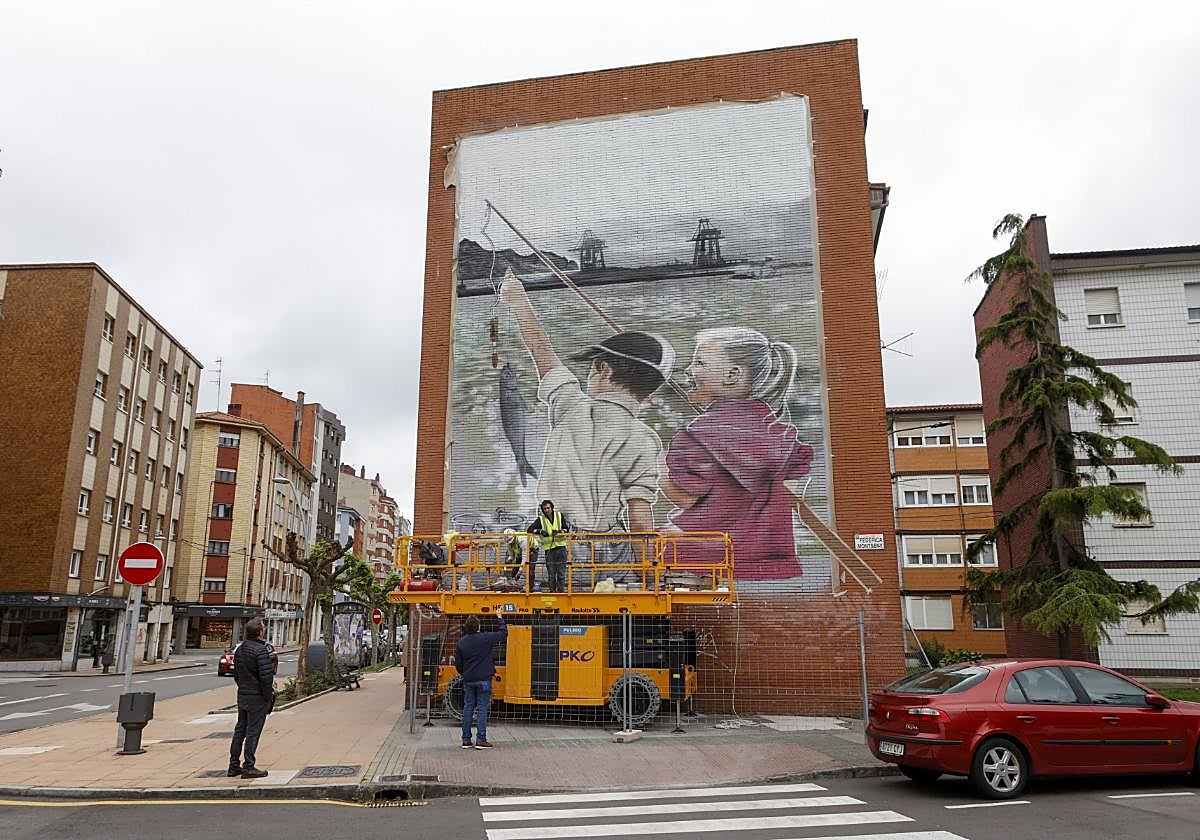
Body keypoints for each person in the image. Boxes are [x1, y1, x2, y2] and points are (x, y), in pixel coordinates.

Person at [499, 270, 672, 536]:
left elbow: (541, 351)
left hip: (552, 541)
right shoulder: (646, 439)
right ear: (647, 396)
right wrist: (648, 563)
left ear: (604, 370)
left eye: (591, 369)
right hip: (606, 548)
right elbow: (639, 519)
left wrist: (519, 302)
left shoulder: (571, 406)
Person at [659, 326, 814, 580]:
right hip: (769, 563)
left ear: (732, 375)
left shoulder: (697, 434)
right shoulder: (777, 431)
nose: (688, 370)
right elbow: (792, 490)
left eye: (699, 363)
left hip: (702, 563)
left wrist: (659, 465)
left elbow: (686, 498)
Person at [229, 617, 275, 779]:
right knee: (253, 731)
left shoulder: (240, 650)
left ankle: (233, 765)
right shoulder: (260, 650)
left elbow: (236, 674)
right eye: (263, 628)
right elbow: (266, 678)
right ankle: (249, 766)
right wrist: (268, 697)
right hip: (257, 697)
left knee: (240, 730)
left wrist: (243, 687)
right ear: (260, 632)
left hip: (243, 695)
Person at [455, 611, 507, 749]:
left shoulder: (462, 642)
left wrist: (464, 673)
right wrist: (500, 618)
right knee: (482, 708)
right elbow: (503, 634)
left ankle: (466, 740)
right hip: (484, 679)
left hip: (469, 679)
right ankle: (481, 739)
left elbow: (458, 663)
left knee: (468, 708)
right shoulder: (485, 638)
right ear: (478, 626)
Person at [526, 499, 571, 592]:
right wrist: (540, 531)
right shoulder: (541, 519)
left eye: (548, 508)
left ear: (552, 508)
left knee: (561, 574)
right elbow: (529, 529)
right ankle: (552, 592)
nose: (547, 510)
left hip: (561, 548)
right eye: (545, 509)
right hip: (549, 551)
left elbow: (566, 529)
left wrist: (559, 532)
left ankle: (561, 592)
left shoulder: (559, 516)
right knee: (551, 574)